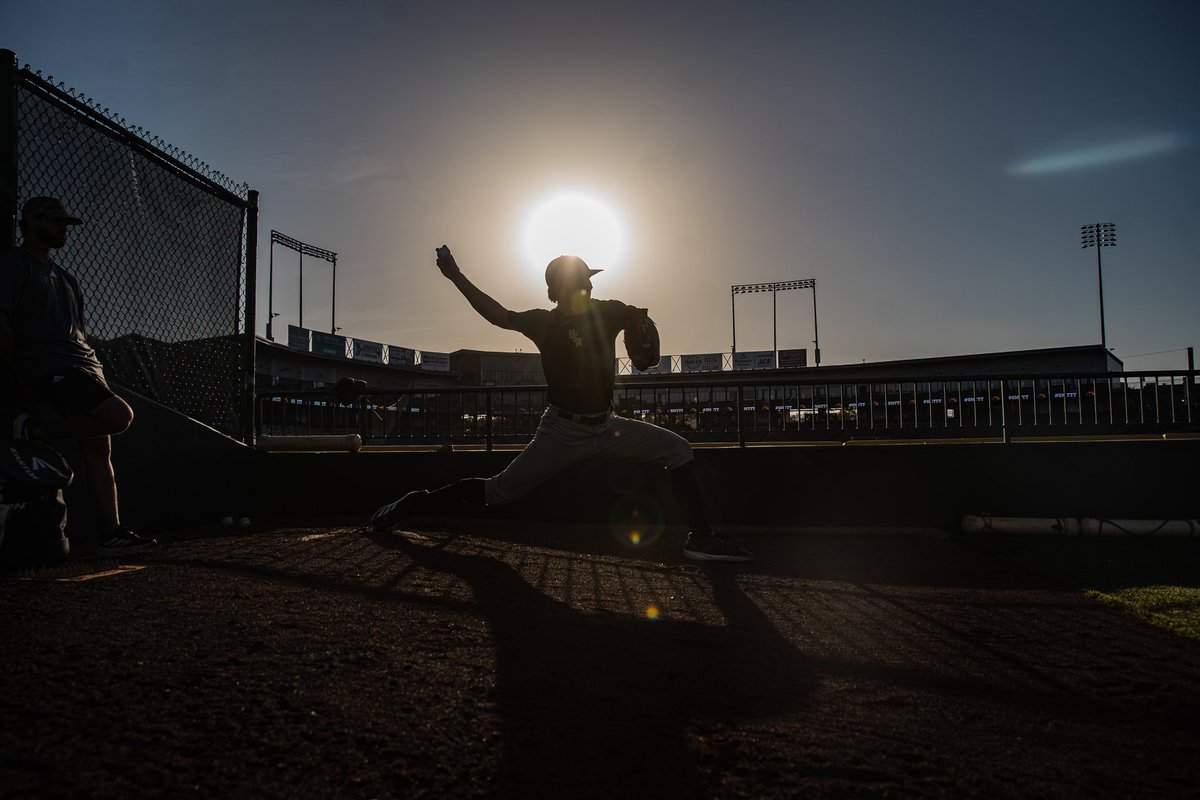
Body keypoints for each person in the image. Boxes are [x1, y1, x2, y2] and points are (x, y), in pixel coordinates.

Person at [370, 247, 751, 562]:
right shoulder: (544, 323)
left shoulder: (608, 310)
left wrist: (640, 322)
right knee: (497, 492)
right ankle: (415, 503)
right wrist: (456, 276)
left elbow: (640, 331)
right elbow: (496, 314)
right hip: (561, 431)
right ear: (565, 287)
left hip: (608, 426)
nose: (590, 284)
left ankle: (701, 538)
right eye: (584, 279)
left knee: (679, 449)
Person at [0, 196, 156, 553]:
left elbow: (78, 331)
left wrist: (91, 367)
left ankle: (112, 533)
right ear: (32, 222)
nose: (63, 230)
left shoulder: (66, 278)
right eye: (55, 222)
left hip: (84, 366)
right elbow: (3, 322)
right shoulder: (13, 265)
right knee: (119, 416)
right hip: (51, 368)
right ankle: (34, 431)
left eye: (65, 224)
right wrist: (13, 374)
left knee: (99, 445)